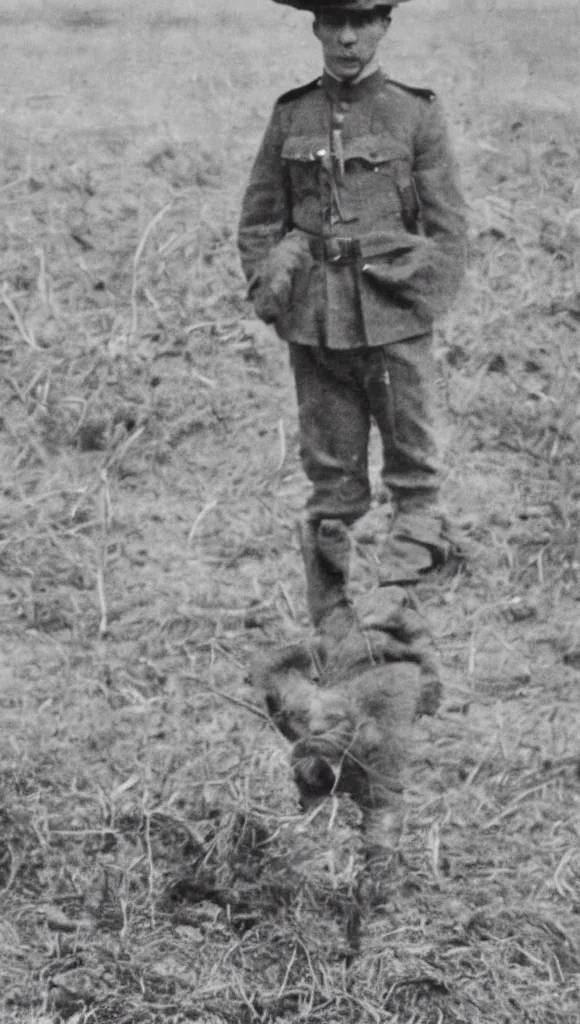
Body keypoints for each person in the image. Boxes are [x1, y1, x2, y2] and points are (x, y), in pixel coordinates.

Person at [238, 0, 468, 631]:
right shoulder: (293, 114)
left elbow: (449, 230)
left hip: (394, 320)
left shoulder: (415, 113)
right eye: (334, 20)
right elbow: (260, 217)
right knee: (332, 486)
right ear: (314, 26)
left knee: (415, 473)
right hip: (316, 326)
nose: (347, 36)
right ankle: (333, 623)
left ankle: (401, 610)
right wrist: (273, 288)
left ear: (385, 26)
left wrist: (416, 303)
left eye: (363, 21)